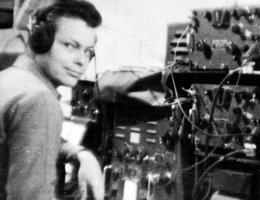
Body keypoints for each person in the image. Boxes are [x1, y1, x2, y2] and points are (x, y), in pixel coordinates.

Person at [0, 1, 104, 200]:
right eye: (71, 46)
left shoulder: (8, 78)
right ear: (41, 40)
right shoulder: (40, 101)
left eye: (87, 51)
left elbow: (22, 138)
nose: (81, 61)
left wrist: (79, 153)